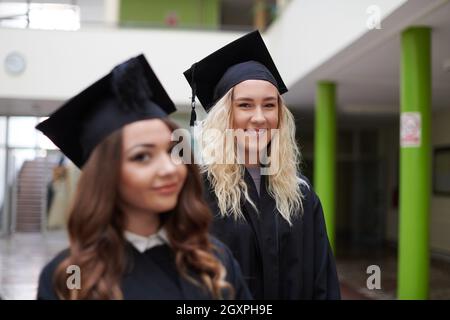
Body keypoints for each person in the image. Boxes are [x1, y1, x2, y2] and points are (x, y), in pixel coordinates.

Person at [36, 54, 251, 300]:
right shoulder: (71, 276)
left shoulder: (213, 261)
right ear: (105, 176)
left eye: (172, 151)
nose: (170, 169)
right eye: (142, 157)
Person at [183, 31, 341, 299]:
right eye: (245, 105)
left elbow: (323, 281)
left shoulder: (300, 194)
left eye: (269, 105)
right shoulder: (196, 193)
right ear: (225, 116)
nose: (259, 118)